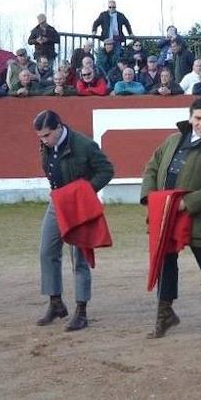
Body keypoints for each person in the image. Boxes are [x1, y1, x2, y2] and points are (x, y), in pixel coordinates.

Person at [141, 97, 201, 346]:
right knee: (165, 264)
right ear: (191, 117)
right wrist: (151, 198)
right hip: (165, 214)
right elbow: (152, 168)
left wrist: (187, 203)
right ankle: (165, 315)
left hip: (194, 216)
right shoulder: (172, 140)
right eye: (198, 118)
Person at [34, 110, 114, 331]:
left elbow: (107, 170)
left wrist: (84, 192)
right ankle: (56, 303)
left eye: (47, 135)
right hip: (58, 201)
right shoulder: (47, 144)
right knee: (47, 251)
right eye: (40, 137)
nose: (44, 141)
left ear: (58, 127)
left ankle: (81, 311)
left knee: (79, 257)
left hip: (78, 204)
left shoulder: (84, 145)